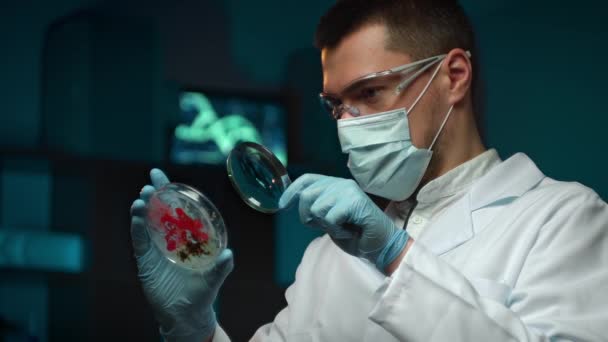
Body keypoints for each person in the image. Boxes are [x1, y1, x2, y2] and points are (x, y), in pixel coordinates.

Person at [129, 0, 608, 341]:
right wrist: (194, 330)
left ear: (454, 76)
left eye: (371, 94)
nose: (349, 124)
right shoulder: (328, 257)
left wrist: (396, 257)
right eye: (337, 105)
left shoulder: (564, 219)